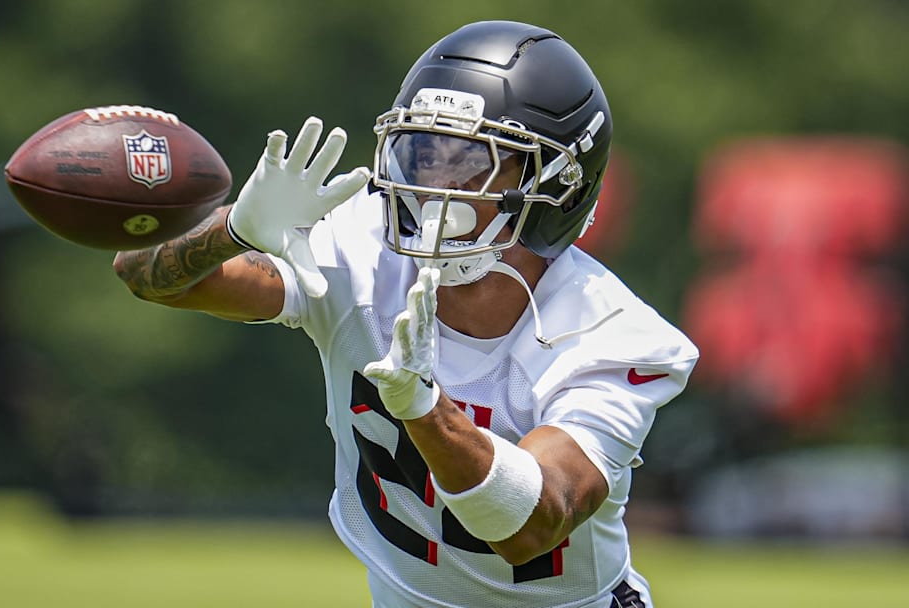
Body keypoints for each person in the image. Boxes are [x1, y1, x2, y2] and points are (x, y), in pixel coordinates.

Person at [114, 20, 698, 608]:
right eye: (421, 154)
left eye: (470, 161)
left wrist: (424, 407)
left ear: (556, 186)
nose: (431, 188)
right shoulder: (361, 247)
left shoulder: (612, 334)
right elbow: (143, 273)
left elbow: (532, 526)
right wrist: (233, 229)